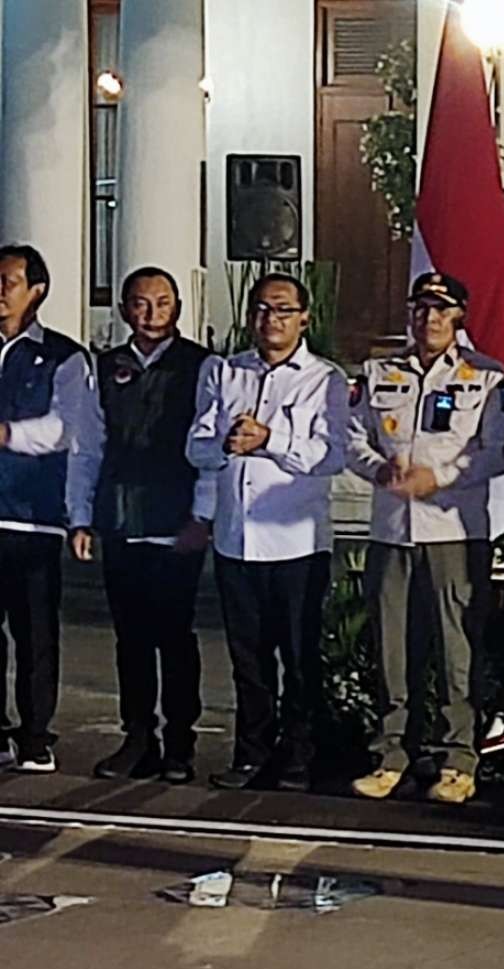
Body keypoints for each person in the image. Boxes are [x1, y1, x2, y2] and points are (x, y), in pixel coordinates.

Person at [345, 272, 504, 805]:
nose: (430, 319)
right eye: (421, 309)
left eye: (442, 310)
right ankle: (392, 752)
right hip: (392, 530)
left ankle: (458, 758)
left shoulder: (485, 376)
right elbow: (351, 437)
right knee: (393, 647)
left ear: (459, 317)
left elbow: (495, 451)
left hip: (454, 530)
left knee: (455, 647)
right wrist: (379, 471)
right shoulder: (379, 372)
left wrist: (437, 479)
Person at [188, 273, 348, 791]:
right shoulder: (225, 371)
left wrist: (270, 439)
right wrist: (229, 445)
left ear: (305, 317)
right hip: (238, 540)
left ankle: (299, 756)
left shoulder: (325, 380)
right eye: (260, 309)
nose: (270, 320)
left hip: (295, 541)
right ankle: (251, 754)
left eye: (282, 310)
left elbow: (330, 456)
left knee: (299, 657)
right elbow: (197, 446)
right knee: (248, 659)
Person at [70, 266, 214, 783]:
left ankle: (180, 743)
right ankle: (138, 738)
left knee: (174, 634)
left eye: (161, 302)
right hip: (121, 517)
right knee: (130, 636)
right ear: (124, 308)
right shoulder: (105, 366)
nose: (150, 314)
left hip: (177, 520)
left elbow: (212, 450)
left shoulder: (201, 365)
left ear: (177, 306)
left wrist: (204, 515)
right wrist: (81, 517)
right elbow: (88, 447)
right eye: (139, 303)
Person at [0, 244, 101, 775]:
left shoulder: (65, 357)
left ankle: (36, 734)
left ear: (36, 290)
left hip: (33, 515)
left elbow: (67, 430)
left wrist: (8, 434)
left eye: (9, 281)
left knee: (35, 632)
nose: (0, 291)